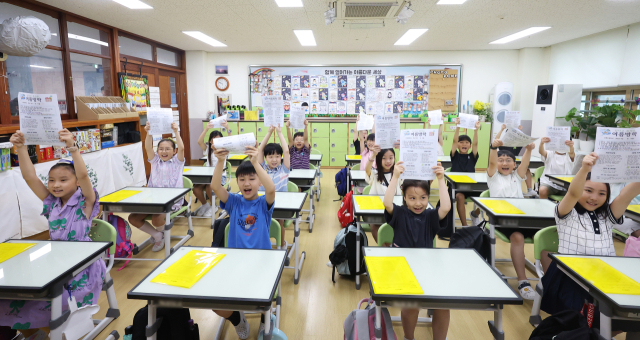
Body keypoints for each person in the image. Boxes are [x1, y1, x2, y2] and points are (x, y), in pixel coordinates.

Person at [1, 129, 106, 337]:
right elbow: (30, 177)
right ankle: (36, 330)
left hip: (83, 267)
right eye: (51, 180)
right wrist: (21, 149)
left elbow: (83, 175)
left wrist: (72, 148)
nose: (55, 185)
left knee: (59, 304)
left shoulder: (85, 203)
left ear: (76, 183)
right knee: (24, 297)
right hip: (56, 261)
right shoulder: (51, 203)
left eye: (63, 180)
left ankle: (60, 331)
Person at [540, 153, 640, 335]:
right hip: (571, 277)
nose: (594, 197)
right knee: (576, 320)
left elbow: (627, 195)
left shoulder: (606, 216)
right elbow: (573, 192)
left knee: (624, 315)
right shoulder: (566, 213)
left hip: (603, 275)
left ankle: (597, 334)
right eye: (588, 191)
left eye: (602, 193)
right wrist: (585, 168)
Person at [209, 142, 276, 338]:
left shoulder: (264, 203)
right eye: (242, 179)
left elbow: (271, 188)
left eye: (252, 179)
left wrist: (256, 162)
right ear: (237, 182)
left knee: (264, 297)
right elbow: (215, 186)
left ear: (259, 182)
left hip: (262, 263)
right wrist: (221, 160)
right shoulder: (234, 202)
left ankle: (265, 317)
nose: (247, 183)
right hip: (235, 263)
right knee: (215, 304)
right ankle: (238, 319)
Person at [383, 161, 451, 340]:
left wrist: (441, 179)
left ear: (428, 197)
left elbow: (445, 207)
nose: (418, 203)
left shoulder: (430, 216)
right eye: (412, 198)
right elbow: (387, 202)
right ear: (404, 198)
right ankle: (409, 337)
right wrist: (395, 176)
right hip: (402, 269)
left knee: (443, 305)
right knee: (412, 304)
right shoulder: (399, 213)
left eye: (423, 198)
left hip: (427, 269)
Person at [487, 139, 536, 300]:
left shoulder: (517, 176)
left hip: (522, 217)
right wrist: (494, 147)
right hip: (502, 219)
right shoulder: (493, 176)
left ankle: (549, 279)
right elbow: (492, 162)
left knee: (548, 232)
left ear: (514, 165)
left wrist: (528, 150)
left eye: (509, 160)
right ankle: (523, 281)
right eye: (501, 160)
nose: (504, 163)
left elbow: (525, 165)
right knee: (518, 237)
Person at [128, 121, 185, 252]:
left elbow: (182, 148)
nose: (164, 151)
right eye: (161, 149)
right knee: (133, 218)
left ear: (174, 151)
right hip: (153, 199)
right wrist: (148, 132)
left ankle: (160, 235)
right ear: (157, 151)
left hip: (171, 200)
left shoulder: (177, 162)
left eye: (167, 149)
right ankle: (158, 235)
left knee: (157, 218)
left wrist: (176, 131)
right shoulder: (155, 162)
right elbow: (148, 147)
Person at [257, 125, 290, 248]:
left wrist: (280, 132)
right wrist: (269, 132)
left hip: (280, 202)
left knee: (279, 223)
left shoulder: (284, 169)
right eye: (270, 156)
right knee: (261, 223)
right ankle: (262, 244)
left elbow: (286, 151)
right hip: (263, 202)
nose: (274, 159)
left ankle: (281, 246)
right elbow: (260, 150)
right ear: (266, 158)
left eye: (277, 156)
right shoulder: (262, 168)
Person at [193, 120, 231, 217]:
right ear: (210, 141)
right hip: (207, 177)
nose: (216, 142)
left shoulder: (224, 151)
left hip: (220, 177)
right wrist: (206, 128)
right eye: (214, 140)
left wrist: (228, 128)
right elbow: (199, 141)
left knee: (210, 186)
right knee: (196, 188)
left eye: (219, 139)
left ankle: (214, 206)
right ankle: (205, 205)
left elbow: (231, 141)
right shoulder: (208, 150)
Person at [365, 145, 402, 242]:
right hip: (378, 211)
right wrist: (373, 154)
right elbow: (367, 169)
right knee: (374, 226)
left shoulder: (397, 173)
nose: (388, 161)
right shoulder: (375, 174)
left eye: (391, 158)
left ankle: (394, 246)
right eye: (384, 158)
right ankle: (383, 248)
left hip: (395, 210)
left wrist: (402, 149)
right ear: (379, 159)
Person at [450, 118, 482, 226]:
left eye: (467, 142)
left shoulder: (472, 157)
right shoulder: (455, 156)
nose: (464, 144)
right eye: (461, 142)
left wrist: (476, 131)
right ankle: (465, 226)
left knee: (486, 194)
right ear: (458, 145)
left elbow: (476, 144)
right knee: (459, 196)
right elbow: (454, 141)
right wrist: (457, 127)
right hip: (458, 187)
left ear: (469, 145)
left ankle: (475, 213)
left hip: (471, 185)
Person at [495, 124, 537, 197]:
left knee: (526, 170)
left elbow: (525, 141)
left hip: (514, 162)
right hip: (505, 164)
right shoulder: (504, 143)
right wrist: (502, 129)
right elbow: (496, 140)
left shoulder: (517, 144)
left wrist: (520, 131)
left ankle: (530, 190)